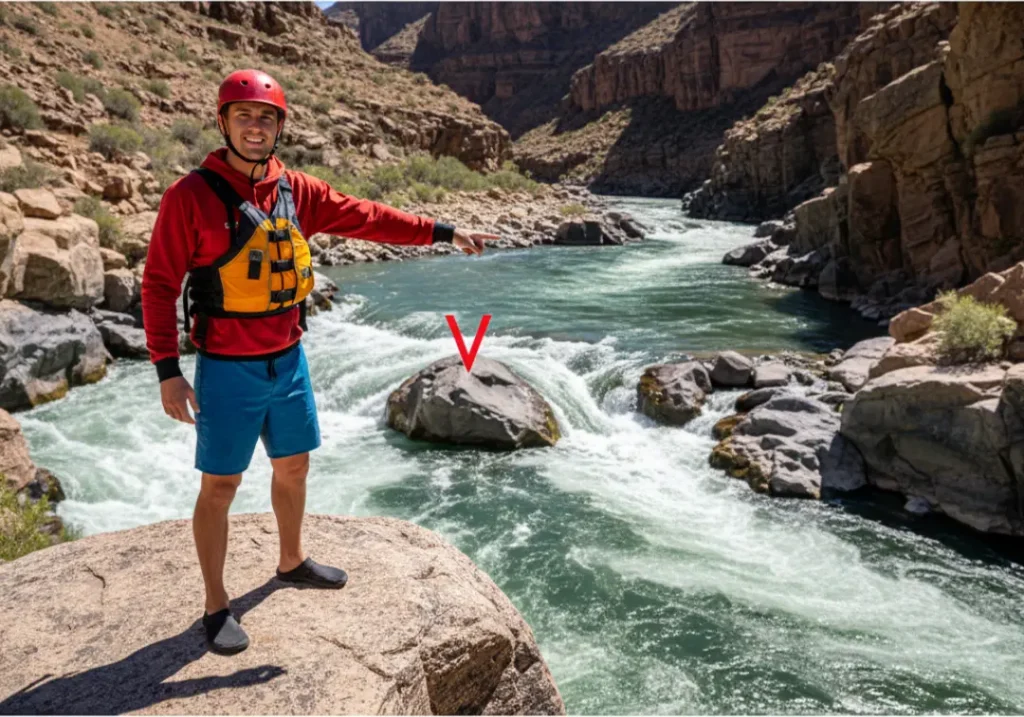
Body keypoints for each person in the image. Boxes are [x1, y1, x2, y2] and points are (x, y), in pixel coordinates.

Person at [141, 69, 499, 655]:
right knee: (221, 484)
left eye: (266, 118)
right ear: (223, 122)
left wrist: (444, 231)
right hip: (227, 367)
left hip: (288, 360)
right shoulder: (191, 196)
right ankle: (214, 603)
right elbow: (158, 285)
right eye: (244, 116)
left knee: (294, 467)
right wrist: (167, 370)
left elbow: (369, 217)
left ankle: (291, 561)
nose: (255, 128)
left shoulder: (295, 190)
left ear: (279, 127)